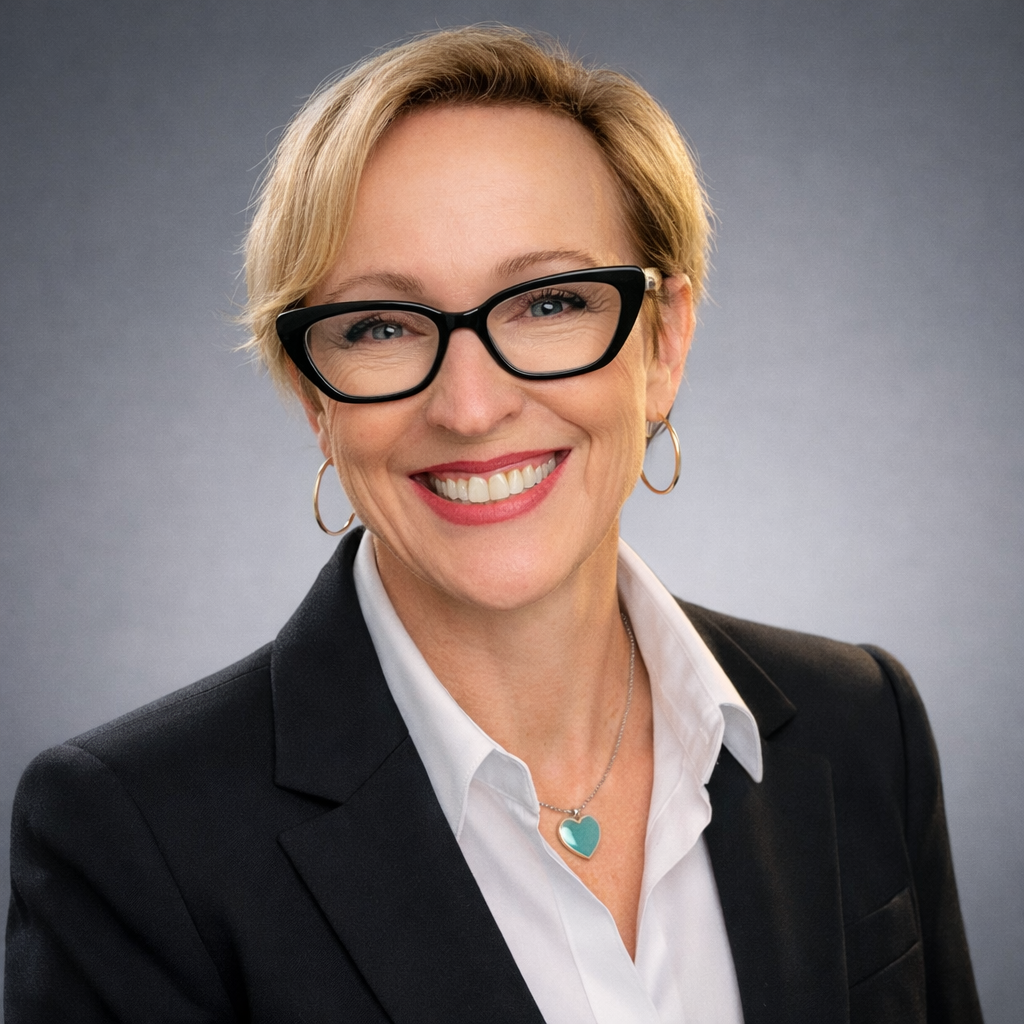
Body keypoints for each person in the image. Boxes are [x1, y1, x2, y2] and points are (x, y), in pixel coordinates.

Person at [5, 26, 982, 1024]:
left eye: (548, 301)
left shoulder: (860, 724)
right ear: (313, 396)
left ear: (663, 341)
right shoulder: (130, 834)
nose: (470, 408)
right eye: (379, 326)